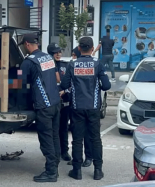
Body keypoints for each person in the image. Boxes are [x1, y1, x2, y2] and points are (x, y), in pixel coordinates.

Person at [61, 37, 111, 180]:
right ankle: (98, 171)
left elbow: (64, 85)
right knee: (95, 139)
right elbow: (107, 86)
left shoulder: (72, 64)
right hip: (94, 107)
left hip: (77, 107)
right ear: (92, 47)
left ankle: (76, 171)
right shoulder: (98, 64)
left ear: (79, 48)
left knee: (77, 140)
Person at [18, 34, 61, 183]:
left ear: (28, 44)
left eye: (24, 45)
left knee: (46, 138)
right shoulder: (48, 57)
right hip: (56, 103)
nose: (24, 48)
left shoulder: (28, 62)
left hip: (43, 105)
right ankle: (55, 166)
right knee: (55, 136)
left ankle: (51, 173)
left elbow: (20, 82)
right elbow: (54, 77)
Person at [67, 46, 93, 168]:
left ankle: (88, 157)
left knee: (83, 135)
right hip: (81, 104)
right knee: (78, 134)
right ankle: (78, 158)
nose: (72, 57)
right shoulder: (73, 65)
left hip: (81, 105)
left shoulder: (75, 66)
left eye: (73, 55)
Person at [47, 42, 72, 162]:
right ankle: (52, 152)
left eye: (59, 52)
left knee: (63, 127)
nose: (58, 54)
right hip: (51, 102)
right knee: (52, 128)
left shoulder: (65, 65)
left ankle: (64, 151)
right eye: (55, 52)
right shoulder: (46, 66)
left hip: (64, 101)